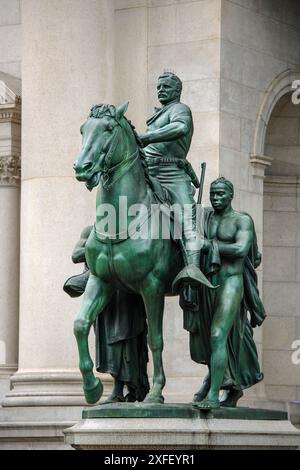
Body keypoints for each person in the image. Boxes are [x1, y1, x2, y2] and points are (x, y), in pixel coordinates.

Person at [183, 177, 266, 409]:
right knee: (210, 340)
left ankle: (212, 394)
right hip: (206, 283)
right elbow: (184, 214)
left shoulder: (242, 220)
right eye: (213, 194)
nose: (216, 198)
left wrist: (208, 245)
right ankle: (230, 386)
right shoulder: (205, 217)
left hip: (231, 282)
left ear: (230, 195)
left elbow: (240, 249)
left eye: (221, 194)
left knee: (219, 334)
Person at [139, 72, 211, 295]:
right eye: (158, 86)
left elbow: (180, 128)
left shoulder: (180, 110)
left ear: (177, 91)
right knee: (115, 211)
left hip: (172, 173)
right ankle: (93, 267)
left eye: (166, 86)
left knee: (187, 221)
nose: (160, 89)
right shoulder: (159, 113)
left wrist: (148, 137)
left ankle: (192, 270)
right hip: (147, 170)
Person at [63, 226, 149, 404]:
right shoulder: (90, 231)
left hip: (126, 290)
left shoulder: (131, 231)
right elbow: (75, 255)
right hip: (102, 291)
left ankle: (132, 388)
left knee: (128, 339)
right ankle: (117, 390)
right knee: (109, 342)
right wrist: (100, 247)